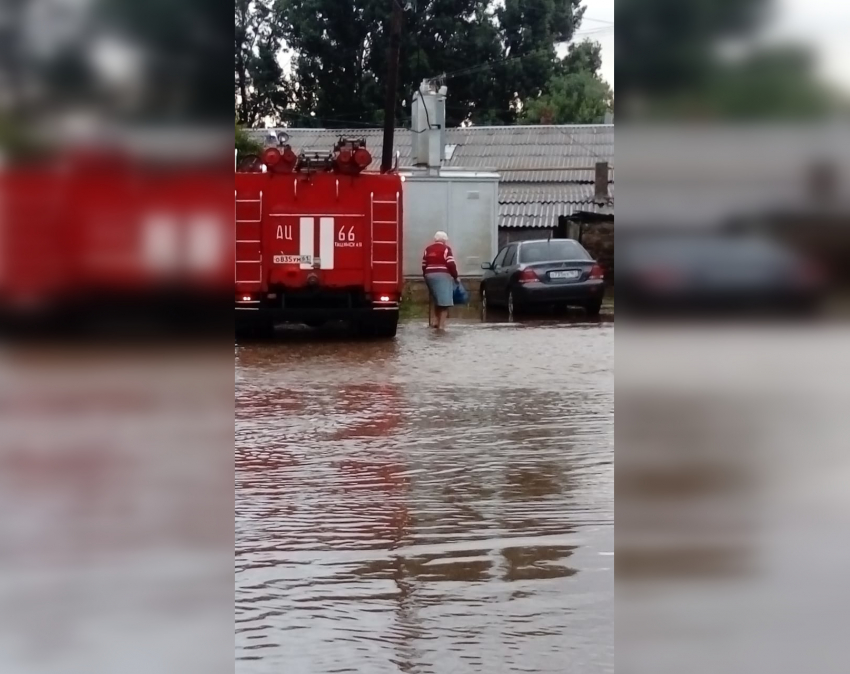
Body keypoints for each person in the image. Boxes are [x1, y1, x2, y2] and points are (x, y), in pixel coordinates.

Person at [422, 231, 458, 330]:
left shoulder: (428, 249)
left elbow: (424, 264)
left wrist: (426, 275)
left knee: (437, 300)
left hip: (429, 275)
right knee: (444, 303)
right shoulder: (446, 249)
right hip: (442, 275)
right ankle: (441, 326)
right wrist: (455, 277)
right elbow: (451, 264)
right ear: (444, 240)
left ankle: (435, 322)